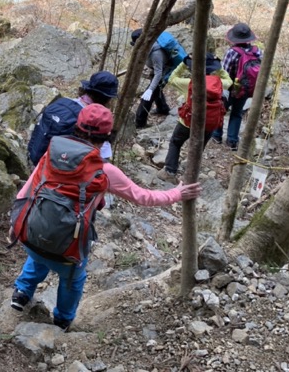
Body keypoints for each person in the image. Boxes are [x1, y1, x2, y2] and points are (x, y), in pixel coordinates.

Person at [11, 104, 202, 330]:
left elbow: (26, 191)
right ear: (107, 136)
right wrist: (177, 193)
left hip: (30, 237)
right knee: (74, 278)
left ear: (76, 127)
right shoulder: (104, 171)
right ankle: (62, 320)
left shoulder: (52, 153)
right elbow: (142, 197)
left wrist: (14, 227)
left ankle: (22, 292)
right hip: (67, 252)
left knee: (41, 245)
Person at [157, 41, 232, 183]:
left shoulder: (189, 83)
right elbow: (230, 80)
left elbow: (171, 79)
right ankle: (190, 175)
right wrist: (219, 67)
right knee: (198, 148)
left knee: (175, 142)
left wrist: (185, 63)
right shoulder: (220, 84)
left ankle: (169, 171)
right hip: (209, 123)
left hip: (187, 122)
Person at [27, 70, 119, 164]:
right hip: (63, 174)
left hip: (36, 160)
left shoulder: (60, 102)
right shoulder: (95, 122)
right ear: (107, 99)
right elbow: (103, 163)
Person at [211, 23, 263, 151]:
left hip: (230, 89)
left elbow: (225, 72)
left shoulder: (232, 53)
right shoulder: (257, 52)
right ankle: (232, 141)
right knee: (237, 113)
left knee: (220, 110)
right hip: (246, 89)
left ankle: (217, 135)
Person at [131, 29, 182, 128]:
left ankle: (140, 123)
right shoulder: (147, 49)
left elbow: (158, 74)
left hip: (166, 71)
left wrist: (150, 89)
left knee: (147, 98)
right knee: (156, 90)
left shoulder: (156, 53)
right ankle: (162, 108)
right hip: (159, 69)